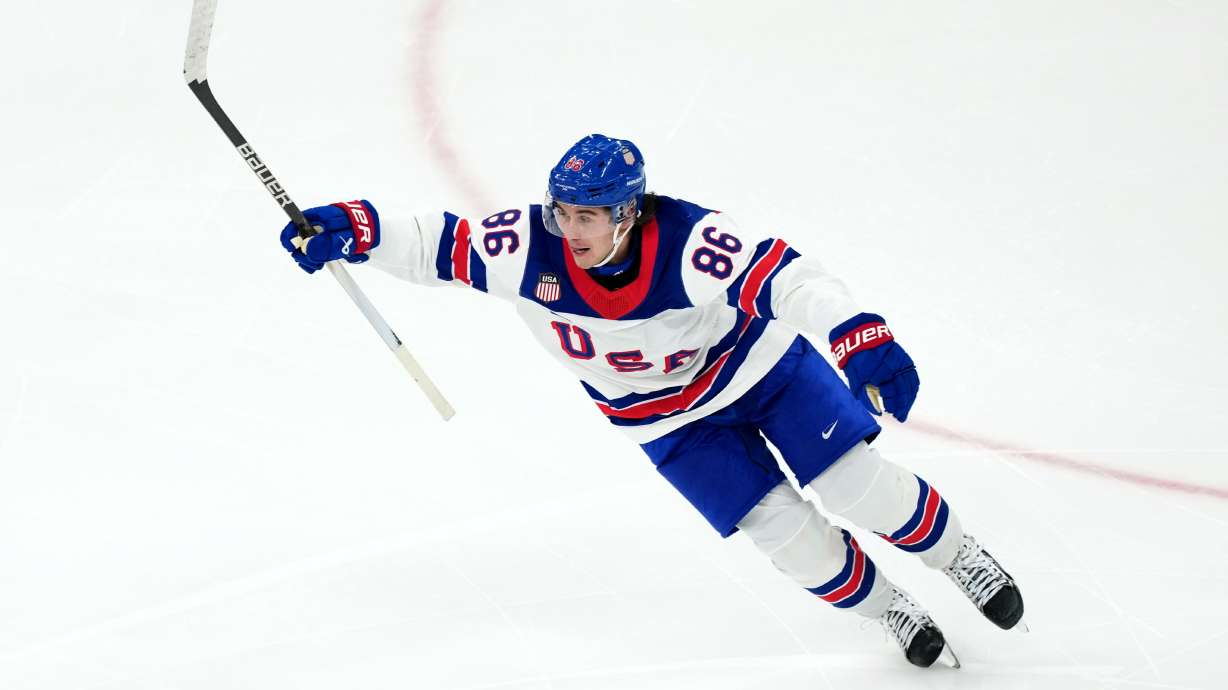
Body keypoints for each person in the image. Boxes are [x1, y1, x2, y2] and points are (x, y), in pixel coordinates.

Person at [278, 133, 1024, 668]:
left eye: (588, 217)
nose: (570, 231)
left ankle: (962, 559)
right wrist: (355, 228)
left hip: (760, 374)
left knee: (859, 489)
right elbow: (433, 242)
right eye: (562, 212)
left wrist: (858, 333)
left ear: (628, 213)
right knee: (786, 537)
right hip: (665, 422)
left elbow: (790, 280)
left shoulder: (691, 241)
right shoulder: (525, 248)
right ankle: (887, 607)